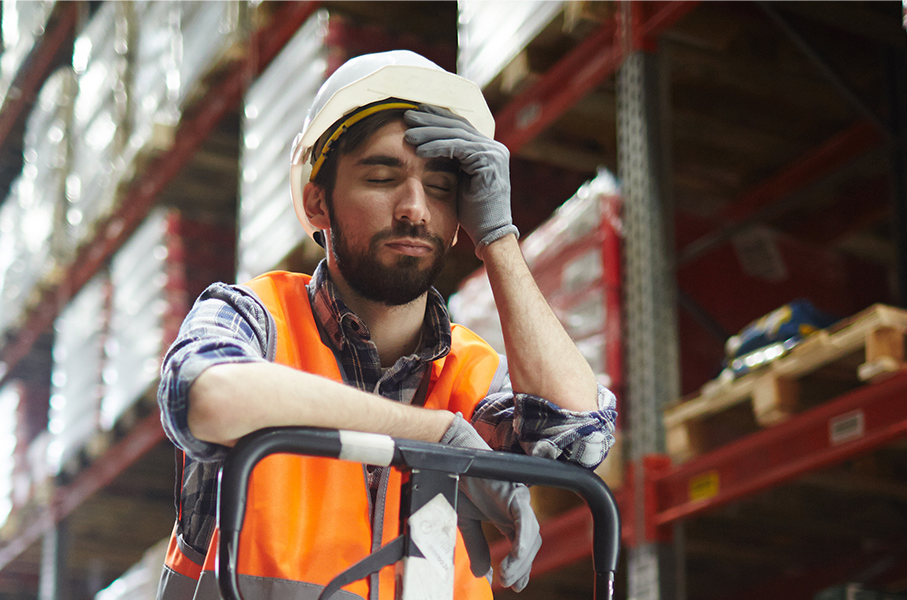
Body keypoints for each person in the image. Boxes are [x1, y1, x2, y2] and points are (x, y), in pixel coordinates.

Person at [156, 50, 618, 600]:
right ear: (317, 203)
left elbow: (578, 443)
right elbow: (207, 398)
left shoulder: (470, 373)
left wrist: (497, 235)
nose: (415, 208)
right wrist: (435, 436)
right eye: (381, 178)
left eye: (442, 190)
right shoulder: (254, 318)